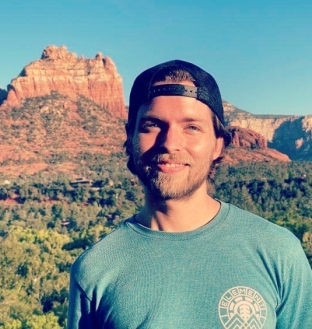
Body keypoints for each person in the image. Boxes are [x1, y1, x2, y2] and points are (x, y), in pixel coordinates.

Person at [67, 60, 312, 328]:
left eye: (192, 127)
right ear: (131, 137)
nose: (170, 143)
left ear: (218, 144)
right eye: (151, 125)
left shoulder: (278, 252)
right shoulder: (94, 269)